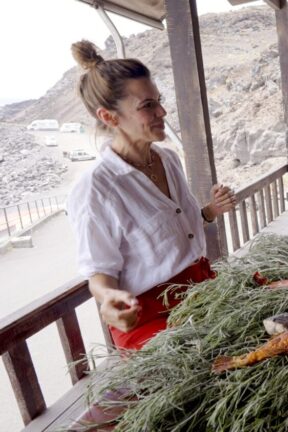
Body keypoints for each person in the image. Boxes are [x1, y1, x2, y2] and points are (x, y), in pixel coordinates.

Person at [67, 40, 237, 350]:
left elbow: (177, 228)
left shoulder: (168, 158)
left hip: (201, 293)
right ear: (109, 117)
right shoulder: (96, 188)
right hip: (150, 321)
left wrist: (210, 211)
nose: (162, 111)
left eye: (158, 100)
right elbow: (99, 273)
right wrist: (109, 298)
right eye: (147, 105)